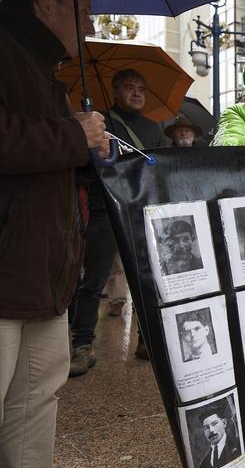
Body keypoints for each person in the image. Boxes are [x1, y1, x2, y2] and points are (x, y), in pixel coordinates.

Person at [0, 0, 110, 463]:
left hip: (44, 273)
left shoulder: (45, 70)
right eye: (84, 11)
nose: (90, 26)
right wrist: (71, 136)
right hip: (8, 272)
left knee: (33, 407)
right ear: (46, 4)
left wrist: (88, 149)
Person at [70, 67, 163, 376]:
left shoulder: (153, 128)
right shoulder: (99, 122)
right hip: (105, 209)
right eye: (128, 87)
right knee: (94, 281)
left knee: (147, 280)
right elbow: (82, 169)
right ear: (114, 91)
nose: (136, 93)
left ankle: (146, 340)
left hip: (141, 210)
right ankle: (82, 344)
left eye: (141, 88)